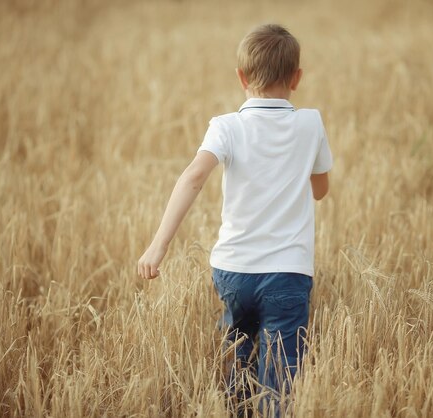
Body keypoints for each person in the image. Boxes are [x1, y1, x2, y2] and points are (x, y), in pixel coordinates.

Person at [137, 23, 332, 416]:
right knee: (281, 376)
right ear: (297, 78)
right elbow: (320, 189)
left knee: (237, 358)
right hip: (288, 274)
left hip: (232, 270)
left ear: (241, 77)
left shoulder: (225, 126)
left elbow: (193, 176)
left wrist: (159, 245)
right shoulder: (310, 123)